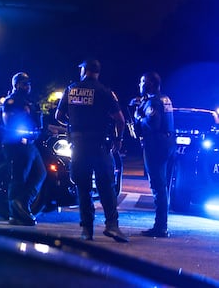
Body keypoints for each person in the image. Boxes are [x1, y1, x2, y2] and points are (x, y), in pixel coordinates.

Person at [55, 59, 128, 242]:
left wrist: (72, 126)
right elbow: (120, 120)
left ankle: (86, 230)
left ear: (84, 70)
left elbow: (58, 116)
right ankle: (112, 226)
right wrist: (118, 140)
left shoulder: (71, 89)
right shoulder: (105, 91)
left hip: (79, 146)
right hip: (100, 145)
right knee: (106, 187)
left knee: (83, 188)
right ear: (97, 72)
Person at [132, 72, 176, 238]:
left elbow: (153, 124)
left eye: (142, 81)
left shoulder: (153, 101)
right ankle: (162, 224)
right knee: (164, 187)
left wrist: (139, 117)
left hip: (155, 145)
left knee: (158, 186)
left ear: (149, 84)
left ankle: (160, 227)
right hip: (168, 144)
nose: (140, 85)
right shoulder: (166, 98)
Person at [1, 72, 46, 226]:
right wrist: (20, 137)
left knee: (41, 173)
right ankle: (14, 215)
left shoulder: (29, 101)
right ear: (17, 84)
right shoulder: (12, 100)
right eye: (24, 83)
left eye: (28, 83)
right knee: (18, 179)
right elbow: (8, 122)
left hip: (30, 144)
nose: (27, 86)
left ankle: (22, 204)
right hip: (17, 144)